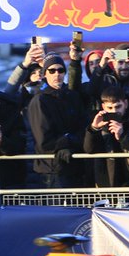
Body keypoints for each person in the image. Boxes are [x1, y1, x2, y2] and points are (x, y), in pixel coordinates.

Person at [27, 53, 86, 188]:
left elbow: (82, 126)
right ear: (44, 74)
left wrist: (73, 141)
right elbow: (44, 141)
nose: (56, 74)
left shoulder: (72, 96)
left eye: (60, 70)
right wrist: (67, 141)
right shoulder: (40, 100)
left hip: (76, 166)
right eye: (52, 71)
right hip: (51, 170)